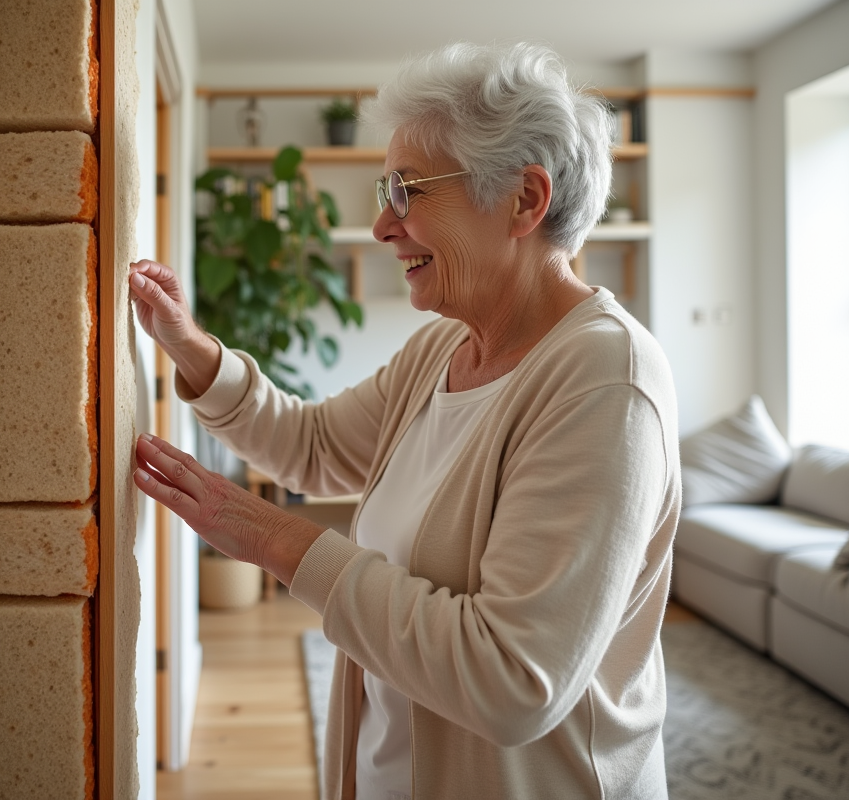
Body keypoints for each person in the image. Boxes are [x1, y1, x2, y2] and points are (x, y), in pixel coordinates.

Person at [129, 41, 680, 800]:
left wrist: (275, 539)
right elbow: (314, 447)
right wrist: (190, 349)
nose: (383, 228)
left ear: (525, 199)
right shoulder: (444, 349)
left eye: (407, 190)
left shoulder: (606, 381)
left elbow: (514, 681)